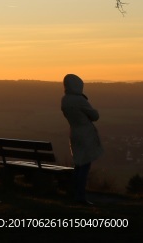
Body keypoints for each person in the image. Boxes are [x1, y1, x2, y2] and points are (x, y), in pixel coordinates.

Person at [60, 74, 103, 205]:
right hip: (85, 135)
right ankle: (80, 196)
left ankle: (74, 193)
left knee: (78, 164)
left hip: (74, 133)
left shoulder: (65, 99)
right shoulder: (79, 100)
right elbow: (95, 116)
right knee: (84, 165)